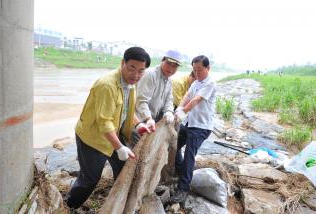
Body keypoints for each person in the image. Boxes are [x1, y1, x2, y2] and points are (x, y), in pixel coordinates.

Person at [66, 47, 152, 209]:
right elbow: (103, 122)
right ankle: (69, 205)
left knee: (123, 167)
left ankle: (116, 201)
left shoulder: (130, 84)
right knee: (90, 179)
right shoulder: (107, 85)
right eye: (131, 68)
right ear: (122, 63)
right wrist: (119, 147)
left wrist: (138, 124)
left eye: (141, 71)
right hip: (93, 138)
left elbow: (126, 110)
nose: (135, 75)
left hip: (112, 133)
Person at [170, 55, 217, 205]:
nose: (196, 73)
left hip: (201, 127)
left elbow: (196, 99)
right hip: (190, 123)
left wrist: (183, 111)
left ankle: (183, 188)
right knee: (174, 146)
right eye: (194, 70)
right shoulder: (196, 82)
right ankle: (181, 170)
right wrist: (177, 110)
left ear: (208, 68)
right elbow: (187, 96)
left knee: (190, 154)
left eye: (199, 70)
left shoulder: (210, 83)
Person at [135, 50, 182, 130]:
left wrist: (169, 112)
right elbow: (141, 101)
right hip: (138, 120)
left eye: (174, 66)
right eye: (168, 63)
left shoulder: (169, 80)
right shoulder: (150, 75)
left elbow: (169, 100)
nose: (171, 68)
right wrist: (148, 118)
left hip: (151, 122)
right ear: (162, 60)